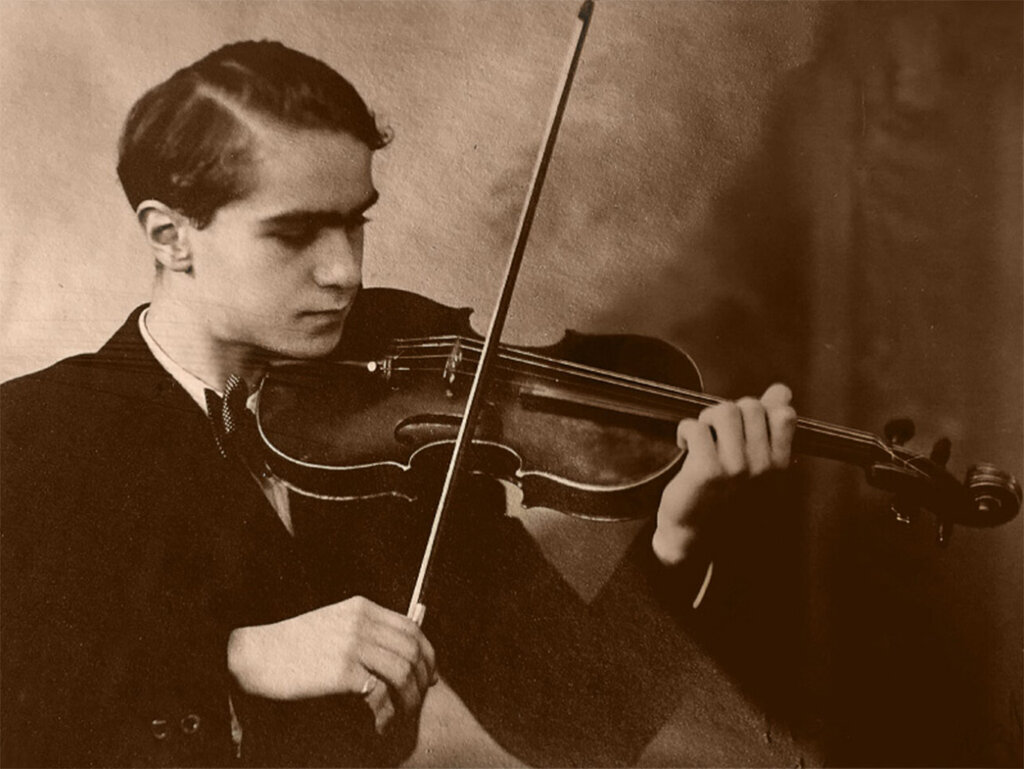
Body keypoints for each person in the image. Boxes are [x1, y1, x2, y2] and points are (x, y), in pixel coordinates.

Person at [0, 40, 796, 766]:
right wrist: (235, 659)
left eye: (355, 224)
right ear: (171, 236)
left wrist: (679, 535)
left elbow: (582, 724)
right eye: (294, 234)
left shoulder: (403, 431)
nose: (344, 271)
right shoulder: (35, 436)